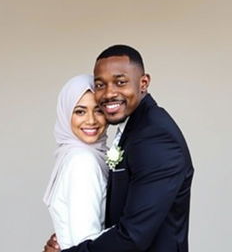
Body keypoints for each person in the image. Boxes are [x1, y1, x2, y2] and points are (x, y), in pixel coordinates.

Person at [44, 45, 194, 252]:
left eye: (120, 82)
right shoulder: (134, 128)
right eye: (100, 85)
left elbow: (133, 236)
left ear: (143, 83)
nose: (109, 93)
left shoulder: (155, 137)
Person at [43, 74, 109, 249]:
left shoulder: (76, 156)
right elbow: (87, 243)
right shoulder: (83, 162)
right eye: (80, 111)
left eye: (99, 110)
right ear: (65, 114)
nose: (91, 120)